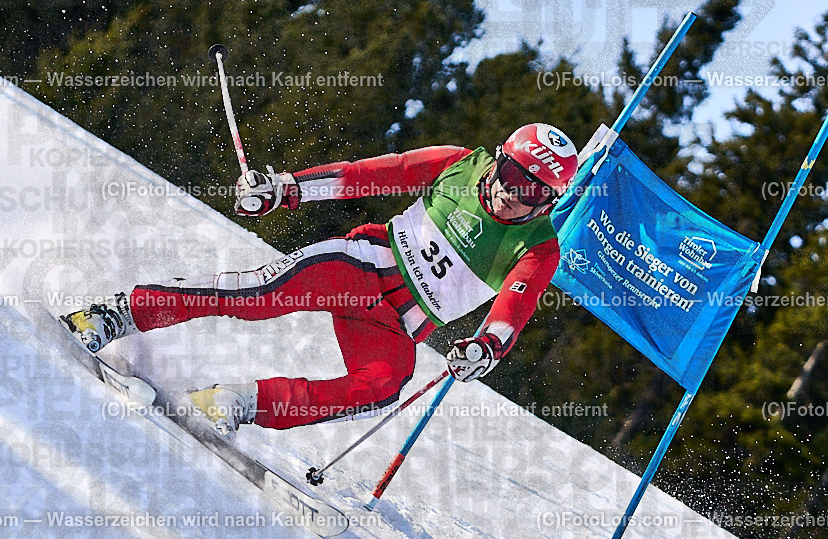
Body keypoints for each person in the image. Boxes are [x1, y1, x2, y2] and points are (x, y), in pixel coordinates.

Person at [62, 123, 579, 437]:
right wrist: (286, 189)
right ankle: (117, 313)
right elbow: (370, 175)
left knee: (382, 388)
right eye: (513, 177)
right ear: (499, 160)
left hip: (397, 326)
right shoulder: (459, 165)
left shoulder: (540, 246)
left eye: (534, 193)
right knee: (258, 295)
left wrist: (485, 348)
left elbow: (514, 308)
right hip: (360, 268)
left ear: (550, 201)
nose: (514, 196)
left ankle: (234, 401)